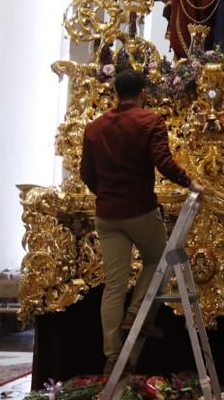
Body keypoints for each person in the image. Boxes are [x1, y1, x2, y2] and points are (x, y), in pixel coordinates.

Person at [79, 68, 202, 372]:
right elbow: (163, 162)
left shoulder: (94, 128)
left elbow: (86, 173)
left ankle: (111, 354)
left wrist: (106, 193)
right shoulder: (150, 121)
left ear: (115, 93)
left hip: (107, 216)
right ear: (143, 93)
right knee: (158, 258)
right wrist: (190, 183)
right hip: (140, 211)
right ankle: (136, 313)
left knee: (114, 284)